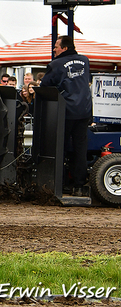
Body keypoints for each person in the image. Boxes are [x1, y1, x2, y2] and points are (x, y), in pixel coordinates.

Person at [40, 35, 92, 197]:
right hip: (84, 111)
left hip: (66, 111)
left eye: (56, 46)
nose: (54, 49)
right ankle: (79, 185)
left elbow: (44, 86)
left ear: (65, 48)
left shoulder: (55, 64)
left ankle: (61, 184)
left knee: (60, 148)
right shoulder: (85, 60)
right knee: (80, 148)